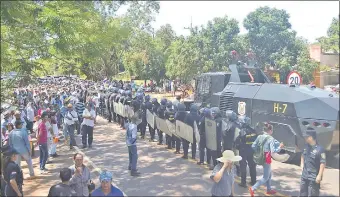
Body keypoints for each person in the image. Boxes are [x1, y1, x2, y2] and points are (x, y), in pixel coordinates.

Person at [249, 123, 284, 196]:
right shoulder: (270, 139)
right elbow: (273, 151)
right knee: (265, 177)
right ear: (270, 130)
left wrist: (259, 152)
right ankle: (253, 188)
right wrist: (280, 147)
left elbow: (253, 146)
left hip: (260, 157)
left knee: (269, 174)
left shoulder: (259, 136)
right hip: (266, 158)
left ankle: (269, 189)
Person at [299, 130, 326, 197]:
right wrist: (302, 165)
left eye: (306, 137)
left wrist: (319, 175)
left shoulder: (320, 149)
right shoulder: (306, 146)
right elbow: (302, 155)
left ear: (311, 137)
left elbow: (322, 163)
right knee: (303, 192)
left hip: (314, 176)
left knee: (314, 194)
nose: (305, 138)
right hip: (305, 174)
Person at [235, 116, 257, 187]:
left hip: (243, 150)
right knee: (252, 166)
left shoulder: (242, 131)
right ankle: (253, 181)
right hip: (252, 150)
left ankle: (243, 183)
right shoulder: (253, 130)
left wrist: (237, 146)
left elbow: (237, 140)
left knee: (243, 166)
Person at [126, 102, 141, 176]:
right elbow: (134, 137)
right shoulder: (134, 126)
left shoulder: (129, 124)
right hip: (132, 143)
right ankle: (133, 170)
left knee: (130, 155)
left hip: (128, 142)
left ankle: (130, 166)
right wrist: (137, 138)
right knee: (135, 156)